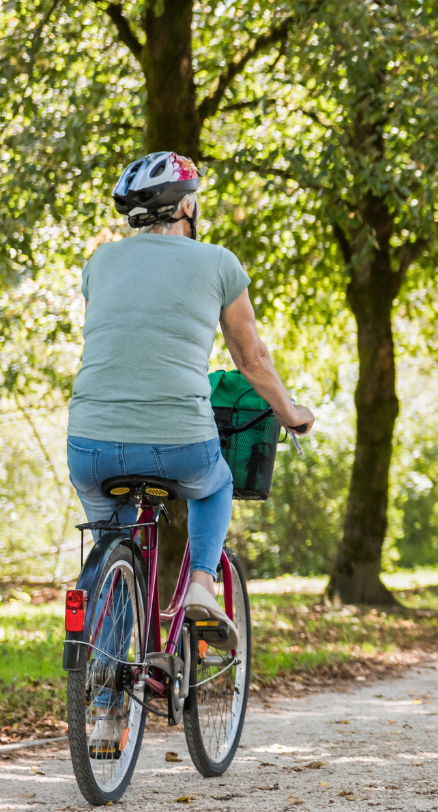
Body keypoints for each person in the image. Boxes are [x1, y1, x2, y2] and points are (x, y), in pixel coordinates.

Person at [68, 152, 316, 653]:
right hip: (176, 441)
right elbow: (251, 358)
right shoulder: (218, 262)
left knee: (108, 543)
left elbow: (112, 340)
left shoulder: (99, 262)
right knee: (215, 481)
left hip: (88, 445)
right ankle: (202, 581)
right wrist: (293, 415)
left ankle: (105, 703)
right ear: (185, 207)